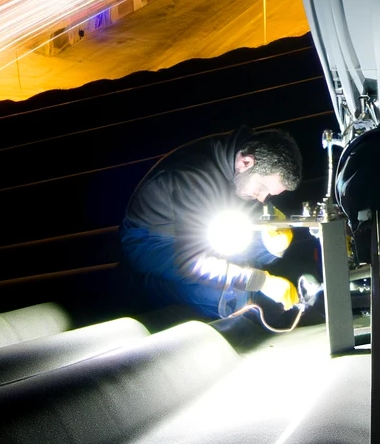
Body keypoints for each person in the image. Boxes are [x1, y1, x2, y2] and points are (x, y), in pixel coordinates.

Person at [120, 127, 303, 319]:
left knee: (265, 247)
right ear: (245, 162)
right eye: (262, 188)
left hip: (201, 225)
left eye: (270, 194)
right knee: (230, 300)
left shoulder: (244, 162)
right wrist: (260, 281)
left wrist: (275, 226)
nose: (262, 198)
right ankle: (142, 286)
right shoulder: (192, 178)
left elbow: (252, 206)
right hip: (154, 239)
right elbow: (191, 262)